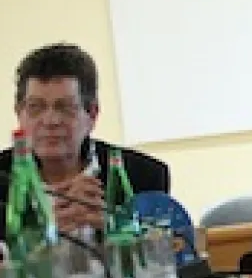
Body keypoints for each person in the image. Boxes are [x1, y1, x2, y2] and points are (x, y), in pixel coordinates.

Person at [1, 43, 169, 230]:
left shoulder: (142, 175)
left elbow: (164, 246)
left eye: (65, 107)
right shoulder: (3, 177)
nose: (50, 121)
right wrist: (44, 232)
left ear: (92, 114)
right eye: (36, 107)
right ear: (19, 113)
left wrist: (113, 229)